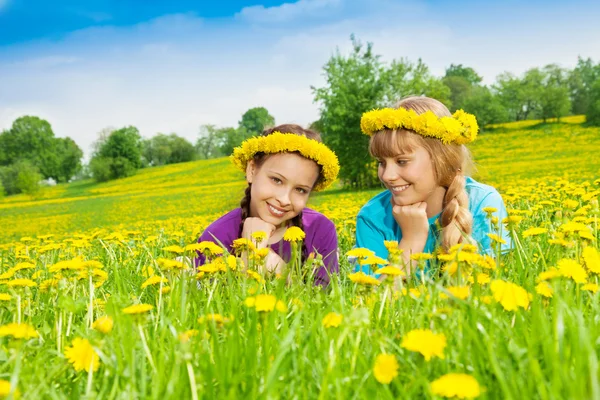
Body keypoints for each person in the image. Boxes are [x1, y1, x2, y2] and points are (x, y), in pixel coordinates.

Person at [355, 96, 511, 276]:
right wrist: (412, 241)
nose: (387, 176)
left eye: (402, 161)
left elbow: (492, 284)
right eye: (381, 162)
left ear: (442, 160)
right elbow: (374, 300)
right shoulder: (373, 217)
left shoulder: (483, 202)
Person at [195, 124, 340, 286]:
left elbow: (323, 299)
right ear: (251, 170)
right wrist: (250, 252)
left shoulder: (320, 229)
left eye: (300, 190)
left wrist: (278, 269)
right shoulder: (216, 237)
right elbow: (211, 299)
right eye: (276, 180)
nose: (285, 199)